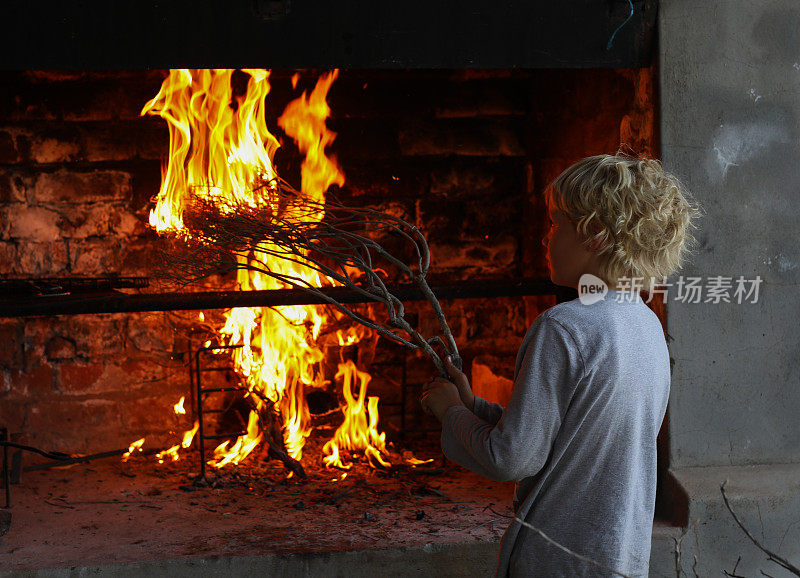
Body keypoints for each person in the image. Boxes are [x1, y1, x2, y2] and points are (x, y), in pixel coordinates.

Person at [421, 154, 701, 577]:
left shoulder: (563, 328)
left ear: (594, 236)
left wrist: (449, 412)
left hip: (556, 560)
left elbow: (511, 458)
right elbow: (573, 435)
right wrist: (474, 406)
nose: (545, 237)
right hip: (619, 559)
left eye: (556, 223)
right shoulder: (646, 325)